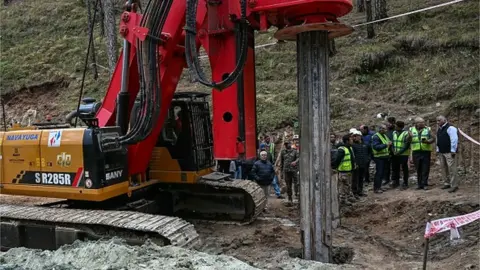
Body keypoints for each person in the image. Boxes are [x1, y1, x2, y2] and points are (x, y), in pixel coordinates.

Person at [409, 117, 435, 190]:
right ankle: (419, 184)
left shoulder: (428, 129)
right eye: (421, 122)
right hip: (416, 152)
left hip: (425, 151)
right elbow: (408, 141)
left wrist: (428, 141)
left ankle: (425, 184)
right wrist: (409, 137)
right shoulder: (411, 130)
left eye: (423, 122)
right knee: (418, 168)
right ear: (416, 124)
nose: (423, 124)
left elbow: (433, 138)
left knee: (425, 168)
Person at [332, 134, 357, 205]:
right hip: (343, 171)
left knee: (348, 185)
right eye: (351, 139)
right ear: (347, 141)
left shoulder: (350, 148)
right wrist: (334, 167)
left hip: (349, 170)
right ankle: (342, 199)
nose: (352, 140)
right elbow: (337, 160)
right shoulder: (342, 149)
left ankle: (348, 197)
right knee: (343, 186)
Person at [436, 115, 459, 193]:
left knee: (452, 169)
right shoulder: (439, 129)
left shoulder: (451, 128)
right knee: (444, 168)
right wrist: (438, 149)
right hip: (442, 152)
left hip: (449, 152)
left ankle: (454, 185)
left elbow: (454, 139)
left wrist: (453, 150)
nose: (437, 122)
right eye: (437, 121)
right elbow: (438, 140)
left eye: (439, 120)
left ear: (444, 120)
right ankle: (446, 183)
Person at [371, 124, 391, 193]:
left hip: (384, 157)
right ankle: (376, 188)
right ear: (380, 129)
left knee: (382, 173)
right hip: (379, 157)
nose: (386, 130)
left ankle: (379, 187)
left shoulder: (384, 136)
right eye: (384, 129)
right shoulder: (376, 137)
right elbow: (376, 147)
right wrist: (386, 145)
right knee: (379, 173)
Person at [392, 121, 411, 189]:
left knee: (404, 168)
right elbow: (393, 143)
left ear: (400, 127)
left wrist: (399, 152)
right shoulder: (394, 133)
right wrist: (393, 150)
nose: (395, 127)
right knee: (395, 168)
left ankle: (405, 182)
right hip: (395, 154)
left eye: (396, 126)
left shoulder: (406, 133)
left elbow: (406, 145)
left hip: (403, 154)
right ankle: (396, 182)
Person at [351, 130, 368, 197]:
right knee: (355, 179)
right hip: (356, 165)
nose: (356, 137)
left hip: (363, 164)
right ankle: (355, 192)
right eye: (354, 136)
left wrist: (367, 159)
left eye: (357, 136)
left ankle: (360, 191)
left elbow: (368, 152)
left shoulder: (364, 144)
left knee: (361, 178)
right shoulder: (353, 146)